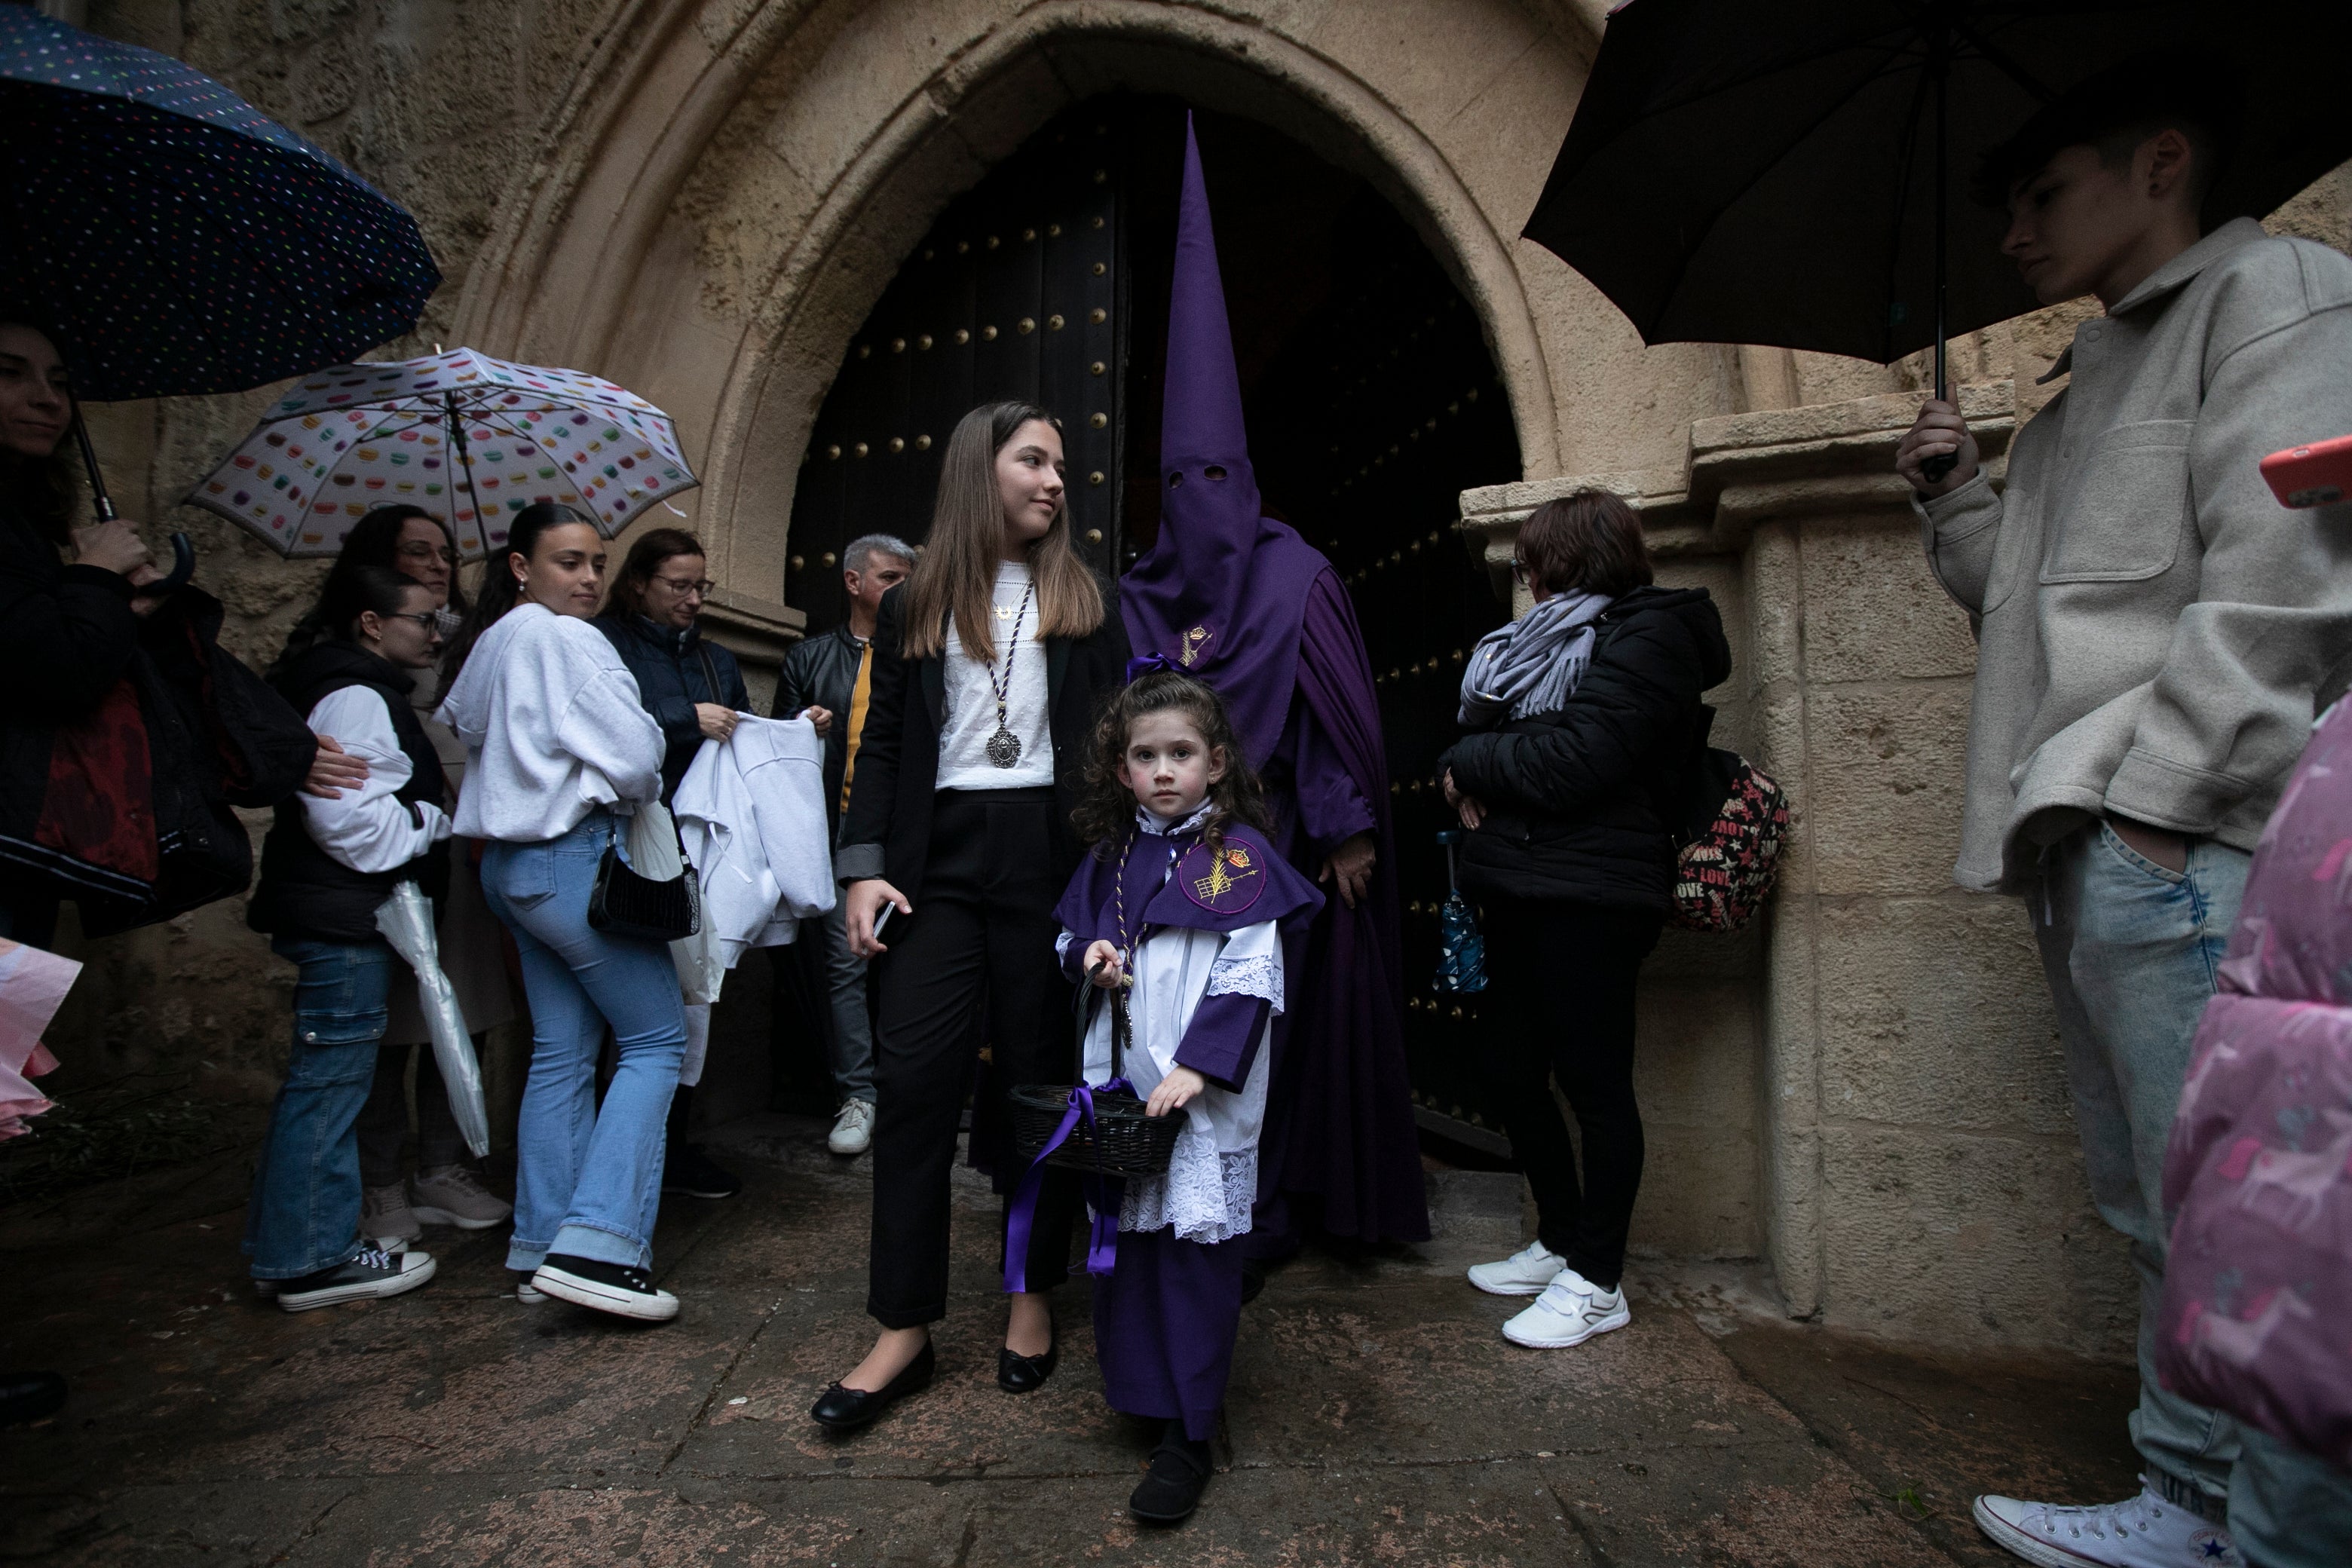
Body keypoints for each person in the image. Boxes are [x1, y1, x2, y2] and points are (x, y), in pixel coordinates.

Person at [1894, 60, 2352, 1568]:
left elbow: (2292, 572)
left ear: (2164, 160)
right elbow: (2031, 613)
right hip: (2097, 840)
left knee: (2255, 1225)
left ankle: (2260, 1528)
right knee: (2169, 1204)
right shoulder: (2094, 370)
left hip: (2187, 839)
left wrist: (2164, 803)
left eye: (2045, 193)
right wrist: (1958, 499)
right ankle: (2193, 1501)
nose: (2017, 233)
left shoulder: (2275, 294)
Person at [1118, 122, 1427, 1282]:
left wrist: (1345, 828)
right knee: (1172, 1035)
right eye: (1184, 483)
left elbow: (1324, 718)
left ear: (1245, 484)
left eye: (1219, 482)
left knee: (1272, 1032)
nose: (1203, 501)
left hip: (1279, 847)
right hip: (1159, 857)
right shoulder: (1137, 593)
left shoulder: (1297, 576)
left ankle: (1273, 1203)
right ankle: (1178, 1206)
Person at [807, 400, 1130, 1433]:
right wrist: (861, 869)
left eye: (1060, 465)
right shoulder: (912, 609)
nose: (1054, 479)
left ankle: (1030, 1296)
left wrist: (1114, 891)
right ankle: (903, 1324)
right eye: (1033, 459)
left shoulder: (1085, 599)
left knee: (1040, 1091)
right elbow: (883, 750)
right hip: (934, 871)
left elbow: (1115, 760)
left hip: (1045, 867)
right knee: (911, 1087)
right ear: (975, 470)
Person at [1438, 491, 1727, 1349]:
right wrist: (1478, 761)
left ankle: (1599, 1279)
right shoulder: (1542, 642)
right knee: (1508, 1068)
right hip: (1523, 887)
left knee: (1596, 1086)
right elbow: (1525, 745)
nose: (1522, 577)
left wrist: (1464, 761)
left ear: (1569, 558)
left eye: (1531, 560)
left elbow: (1574, 761)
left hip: (1596, 896)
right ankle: (1560, 1235)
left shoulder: (1652, 634)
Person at [1052, 669, 1320, 1522]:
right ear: (1120, 768)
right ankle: (1142, 1391)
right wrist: (1088, 957)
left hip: (1197, 1091)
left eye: (1181, 753)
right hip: (1124, 1078)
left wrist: (1201, 1067)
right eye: (1145, 755)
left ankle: (1191, 1429)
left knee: (1195, 1255)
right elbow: (1068, 934)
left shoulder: (1238, 854)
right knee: (1127, 1246)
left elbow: (1250, 974)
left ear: (1216, 762)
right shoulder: (1113, 855)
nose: (1163, 770)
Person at [436, 502, 686, 1322]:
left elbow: (470, 731)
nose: (587, 579)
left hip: (507, 869)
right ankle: (603, 1246)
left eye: (596, 563)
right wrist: (638, 751)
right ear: (519, 565)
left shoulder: (491, 644)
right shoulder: (564, 638)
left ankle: (543, 1246)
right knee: (655, 1041)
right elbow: (638, 758)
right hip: (569, 860)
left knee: (561, 1053)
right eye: (567, 562)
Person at [271, 505, 514, 1252]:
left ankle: (443, 1168)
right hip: (386, 865)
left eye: (446, 552)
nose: (439, 564)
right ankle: (377, 1186)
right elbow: (349, 802)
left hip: (456, 858)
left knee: (456, 1010)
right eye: (418, 551)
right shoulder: (346, 674)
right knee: (381, 1033)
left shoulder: (461, 642)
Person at [243, 565, 451, 1310]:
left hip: (332, 912)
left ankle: (285, 1244)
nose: (436, 633)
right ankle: (311, 1257)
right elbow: (359, 829)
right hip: (343, 915)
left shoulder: (347, 687)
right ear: (371, 623)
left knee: (320, 1085)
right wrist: (435, 817)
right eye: (425, 619)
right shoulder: (360, 696)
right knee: (328, 1089)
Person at [596, 526, 752, 1202]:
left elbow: (743, 736)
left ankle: (673, 1148)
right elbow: (607, 722)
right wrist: (685, 718)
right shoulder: (605, 644)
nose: (693, 600)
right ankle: (612, 1156)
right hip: (628, 839)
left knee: (694, 1001)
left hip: (701, 846)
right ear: (638, 583)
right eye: (678, 586)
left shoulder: (717, 659)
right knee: (624, 1005)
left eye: (701, 587)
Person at [773, 532, 914, 1157]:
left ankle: (922, 1089)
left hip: (907, 839)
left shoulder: (922, 655)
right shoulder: (809, 660)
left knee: (914, 962)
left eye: (907, 579)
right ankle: (860, 1095)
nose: (900, 591)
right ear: (854, 582)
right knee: (845, 964)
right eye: (888, 578)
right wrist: (806, 729)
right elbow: (773, 750)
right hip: (834, 840)